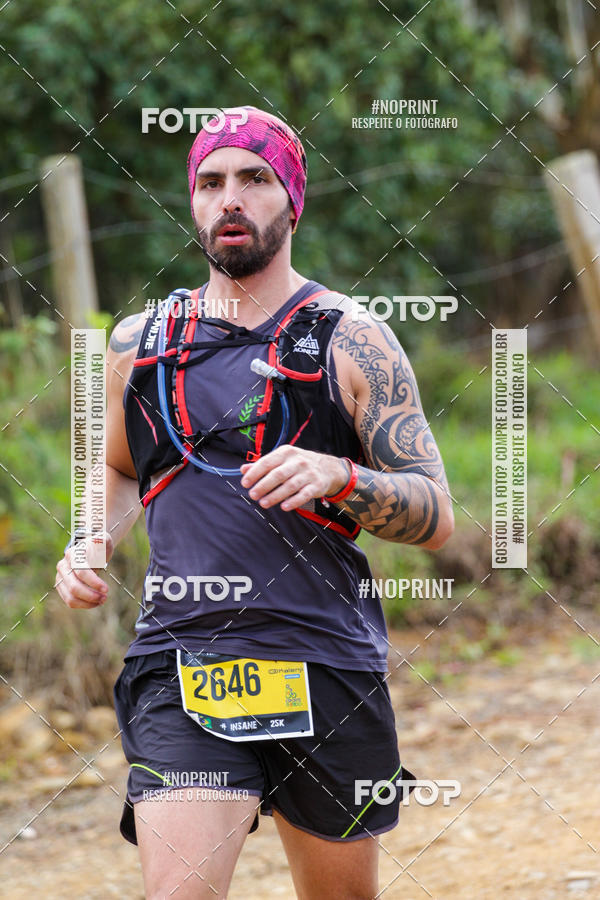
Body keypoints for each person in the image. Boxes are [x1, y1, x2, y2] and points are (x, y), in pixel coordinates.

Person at [55, 106, 454, 899]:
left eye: (254, 178)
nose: (229, 198)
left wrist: (341, 478)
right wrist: (89, 541)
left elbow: (437, 515)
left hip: (325, 660)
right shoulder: (139, 343)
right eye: (210, 182)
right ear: (192, 203)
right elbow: (120, 468)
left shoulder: (352, 338)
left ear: (292, 199)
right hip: (183, 658)